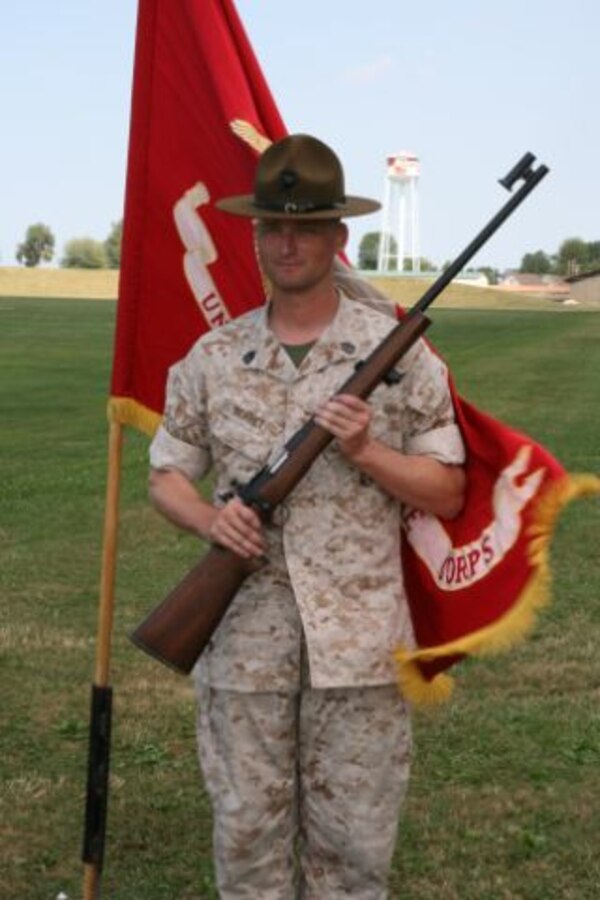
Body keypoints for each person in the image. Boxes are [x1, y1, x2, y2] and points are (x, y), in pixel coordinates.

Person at [148, 133, 466, 899]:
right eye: (273, 227)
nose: (286, 243)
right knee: (247, 848)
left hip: (357, 652)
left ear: (337, 237)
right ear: (255, 236)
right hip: (243, 651)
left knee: (353, 860)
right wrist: (208, 523)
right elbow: (167, 475)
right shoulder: (212, 356)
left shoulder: (398, 356)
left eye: (305, 227)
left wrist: (369, 451)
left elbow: (448, 491)